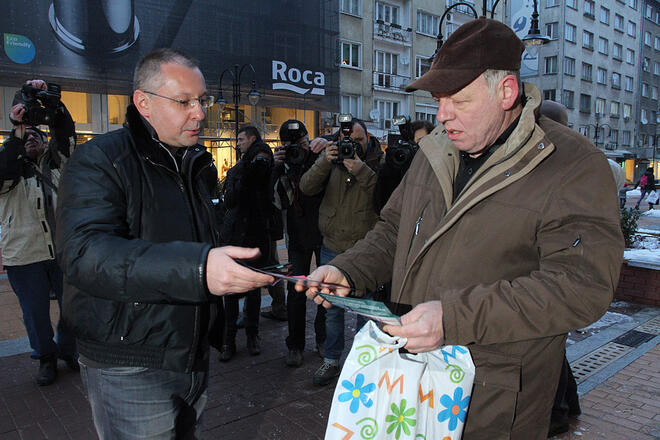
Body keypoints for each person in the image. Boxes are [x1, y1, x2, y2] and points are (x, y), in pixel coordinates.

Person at [299, 18, 623, 439]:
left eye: (459, 100)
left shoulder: (573, 164)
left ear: (506, 92)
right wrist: (349, 269)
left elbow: (583, 287)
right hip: (409, 381)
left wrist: (453, 318)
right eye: (439, 99)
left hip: (492, 399)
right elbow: (395, 229)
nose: (441, 115)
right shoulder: (434, 149)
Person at [56, 48, 274, 439]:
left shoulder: (193, 163)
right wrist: (199, 268)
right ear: (144, 103)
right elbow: (85, 254)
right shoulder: (100, 160)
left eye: (202, 100)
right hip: (129, 361)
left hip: (190, 351)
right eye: (185, 101)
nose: (200, 112)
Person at [0, 79, 77, 386]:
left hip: (62, 251)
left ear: (45, 142)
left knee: (72, 307)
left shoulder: (58, 165)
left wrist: (54, 106)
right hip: (24, 255)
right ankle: (45, 357)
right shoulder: (8, 174)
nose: (31, 138)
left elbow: (65, 135)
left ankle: (68, 350)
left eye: (36, 135)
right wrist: (16, 128)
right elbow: (5, 164)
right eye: (25, 136)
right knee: (35, 315)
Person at [299, 117, 382, 386]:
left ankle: (361, 365)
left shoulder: (379, 163)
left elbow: (385, 198)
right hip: (332, 246)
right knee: (332, 309)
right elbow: (306, 187)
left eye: (359, 140)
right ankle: (331, 360)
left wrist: (361, 170)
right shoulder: (331, 161)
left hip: (365, 251)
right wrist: (324, 160)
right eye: (349, 140)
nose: (353, 145)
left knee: (365, 311)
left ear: (368, 138)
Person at [539, 99, 582, 437]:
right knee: (554, 348)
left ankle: (559, 412)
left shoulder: (564, 166)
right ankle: (569, 404)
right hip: (552, 274)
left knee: (549, 350)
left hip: (553, 274)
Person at [219, 125, 277, 361]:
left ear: (252, 139)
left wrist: (259, 162)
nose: (238, 143)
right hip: (234, 235)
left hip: (254, 235)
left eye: (242, 139)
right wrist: (245, 167)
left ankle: (252, 335)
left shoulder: (265, 165)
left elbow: (265, 192)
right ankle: (228, 339)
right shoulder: (238, 169)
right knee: (231, 290)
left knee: (253, 288)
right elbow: (231, 200)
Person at [272, 120, 326, 367]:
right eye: (291, 146)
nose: (298, 150)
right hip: (297, 234)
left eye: (301, 143)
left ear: (308, 139)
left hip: (325, 231)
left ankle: (323, 339)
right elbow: (274, 200)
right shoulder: (282, 166)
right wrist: (277, 167)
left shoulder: (318, 156)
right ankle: (295, 345)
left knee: (327, 289)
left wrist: (325, 147)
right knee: (296, 292)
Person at [374, 119, 435, 214]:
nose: (417, 147)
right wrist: (390, 170)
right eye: (413, 143)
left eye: (421, 141)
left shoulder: (437, 169)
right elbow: (381, 206)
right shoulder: (400, 167)